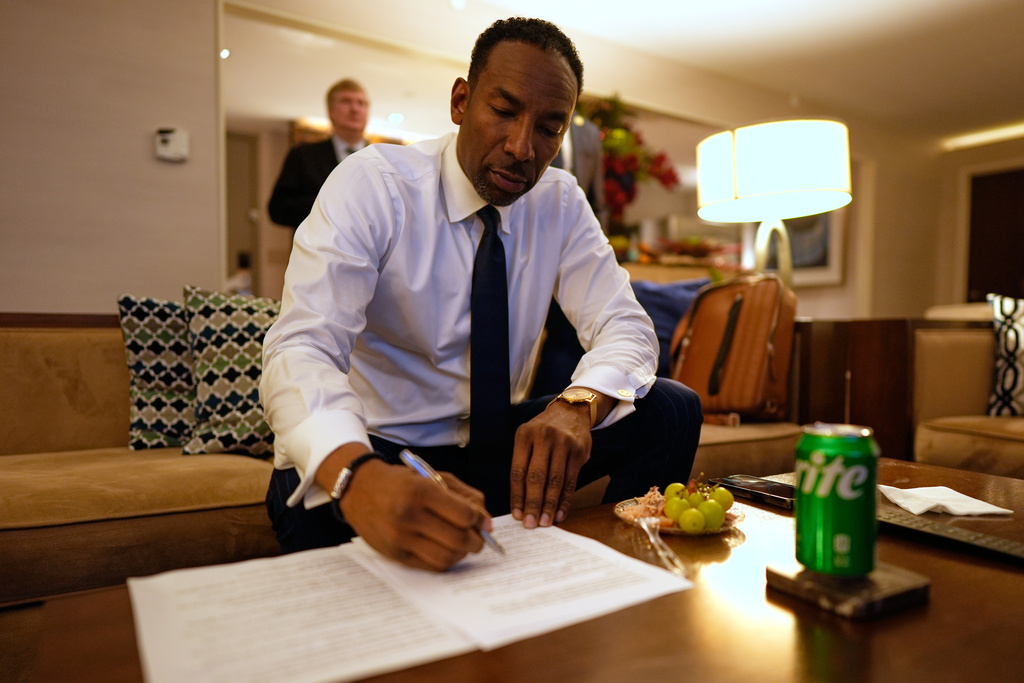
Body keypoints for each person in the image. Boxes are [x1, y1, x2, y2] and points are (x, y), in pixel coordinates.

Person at [261, 17, 702, 572]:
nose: (522, 147)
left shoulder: (560, 202)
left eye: (549, 127)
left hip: (496, 449)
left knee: (671, 408)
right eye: (504, 111)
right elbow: (301, 348)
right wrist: (360, 477)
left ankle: (620, 581)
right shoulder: (374, 184)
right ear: (461, 101)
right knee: (314, 484)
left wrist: (578, 403)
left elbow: (627, 327)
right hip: (379, 448)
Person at [267, 78, 370, 229]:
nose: (355, 109)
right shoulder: (303, 155)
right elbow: (278, 209)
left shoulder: (383, 159)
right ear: (330, 111)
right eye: (346, 101)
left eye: (361, 103)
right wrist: (330, 203)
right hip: (318, 250)